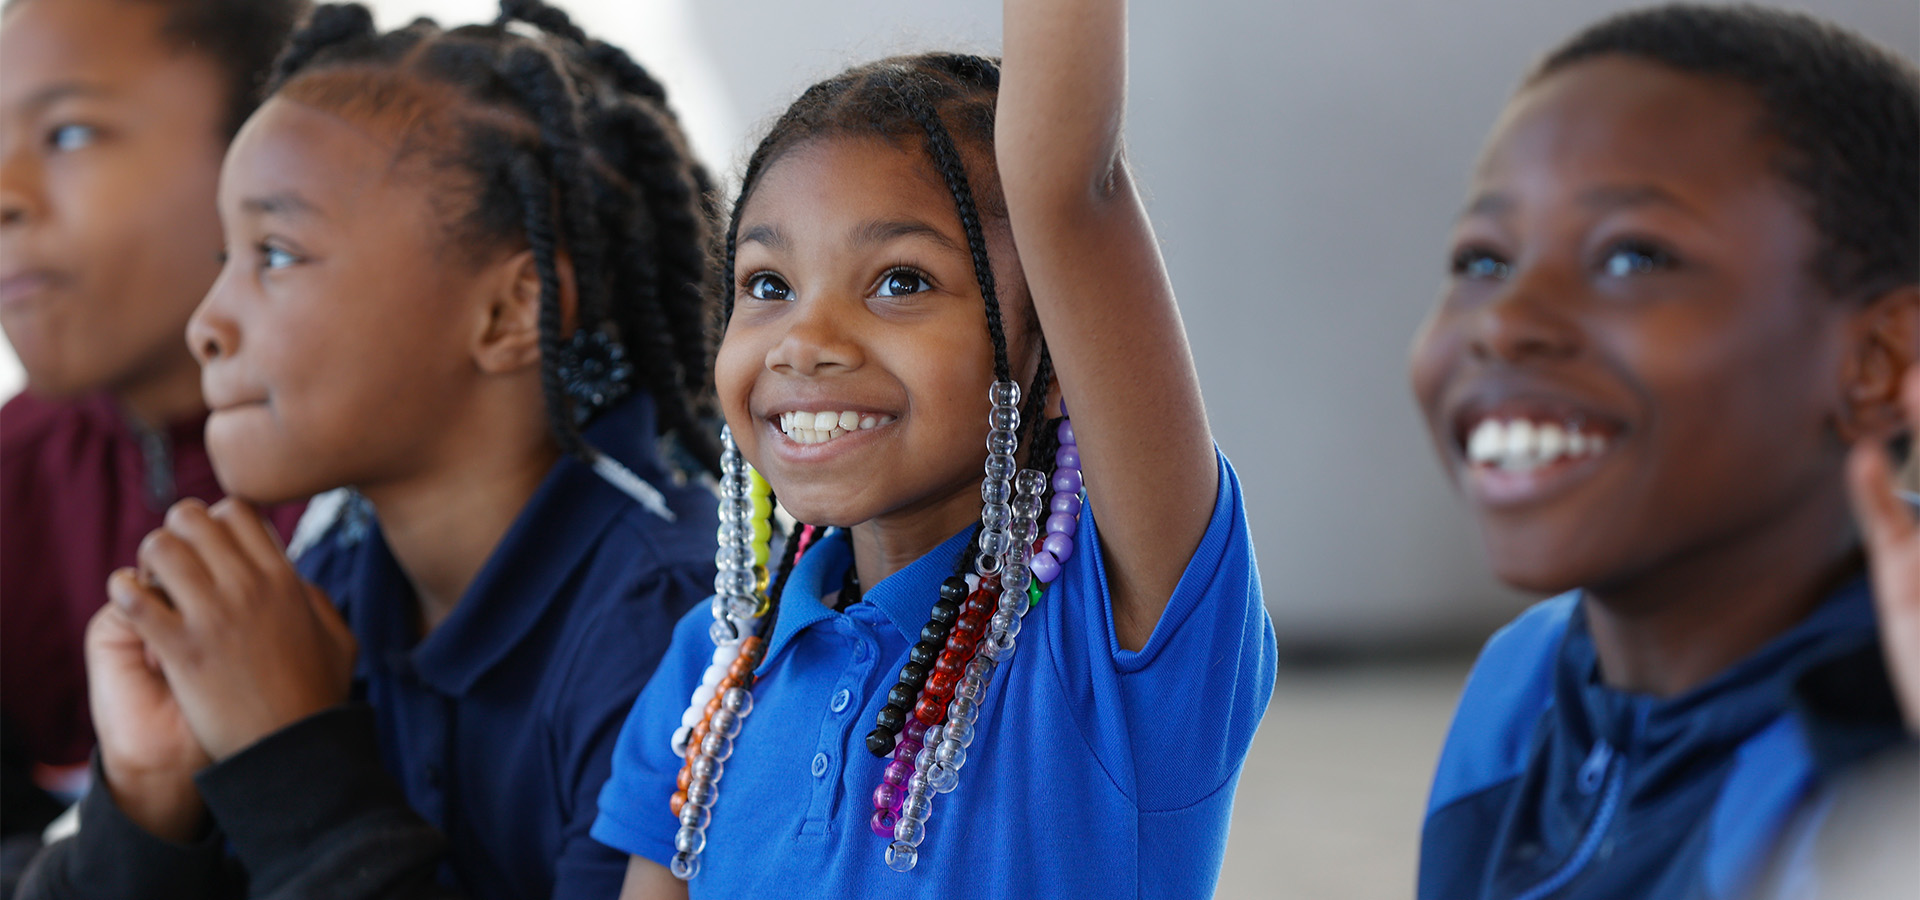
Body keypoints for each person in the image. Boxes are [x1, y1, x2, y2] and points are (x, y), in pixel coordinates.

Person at [19, 2, 721, 898]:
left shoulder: (674, 630)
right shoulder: (334, 578)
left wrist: (291, 755)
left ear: (508, 312)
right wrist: (153, 796)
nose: (207, 325)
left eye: (274, 255)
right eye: (221, 259)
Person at [589, 0, 1277, 896]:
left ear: (1056, 349)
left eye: (900, 281)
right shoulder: (717, 667)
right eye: (768, 283)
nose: (805, 339)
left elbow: (1074, 187)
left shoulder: (1114, 640)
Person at [1410, 5, 1919, 898]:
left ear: (1877, 364)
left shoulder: (1883, 761)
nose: (1507, 322)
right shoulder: (1520, 689)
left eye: (1634, 257)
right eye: (1483, 260)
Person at [0, 0, 309, 847]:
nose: (5, 197)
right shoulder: (13, 484)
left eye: (66, 134)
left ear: (263, 136)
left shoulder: (379, 477)